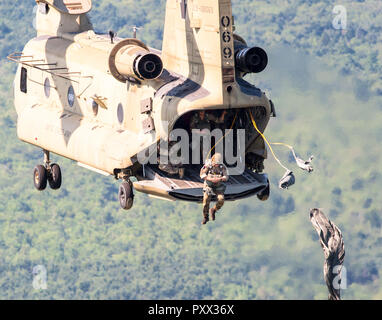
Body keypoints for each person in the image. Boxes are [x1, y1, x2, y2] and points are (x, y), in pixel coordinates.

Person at [199, 153, 228, 225]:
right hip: (209, 185)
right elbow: (202, 175)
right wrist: (210, 179)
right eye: (215, 163)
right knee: (206, 200)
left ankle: (214, 210)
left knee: (221, 199)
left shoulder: (222, 167)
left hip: (218, 186)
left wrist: (220, 178)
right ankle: (205, 216)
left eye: (218, 163)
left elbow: (226, 177)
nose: (216, 165)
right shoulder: (208, 166)